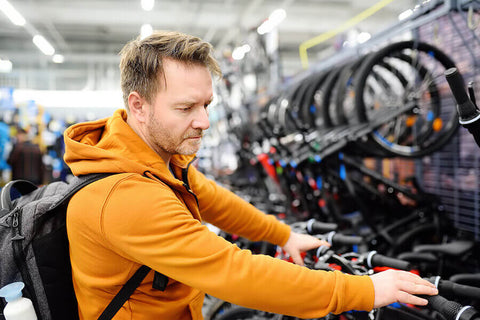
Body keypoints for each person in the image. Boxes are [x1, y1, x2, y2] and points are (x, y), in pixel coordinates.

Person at [63, 30, 438, 320]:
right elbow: (236, 272)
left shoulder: (150, 157)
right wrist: (365, 291)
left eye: (207, 104)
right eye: (186, 107)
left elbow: (215, 201)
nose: (204, 122)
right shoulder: (125, 195)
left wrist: (284, 234)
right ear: (137, 106)